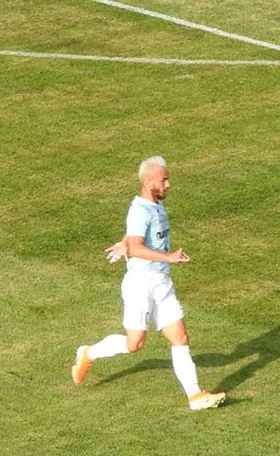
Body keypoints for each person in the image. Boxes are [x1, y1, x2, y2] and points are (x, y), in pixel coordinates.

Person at [72, 156, 225, 410]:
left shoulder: (154, 205)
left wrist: (126, 243)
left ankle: (195, 396)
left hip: (161, 282)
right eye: (164, 179)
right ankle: (88, 353)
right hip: (141, 284)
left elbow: (133, 237)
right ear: (149, 182)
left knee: (180, 337)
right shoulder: (140, 209)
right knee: (135, 344)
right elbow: (137, 246)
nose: (168, 184)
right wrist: (167, 256)